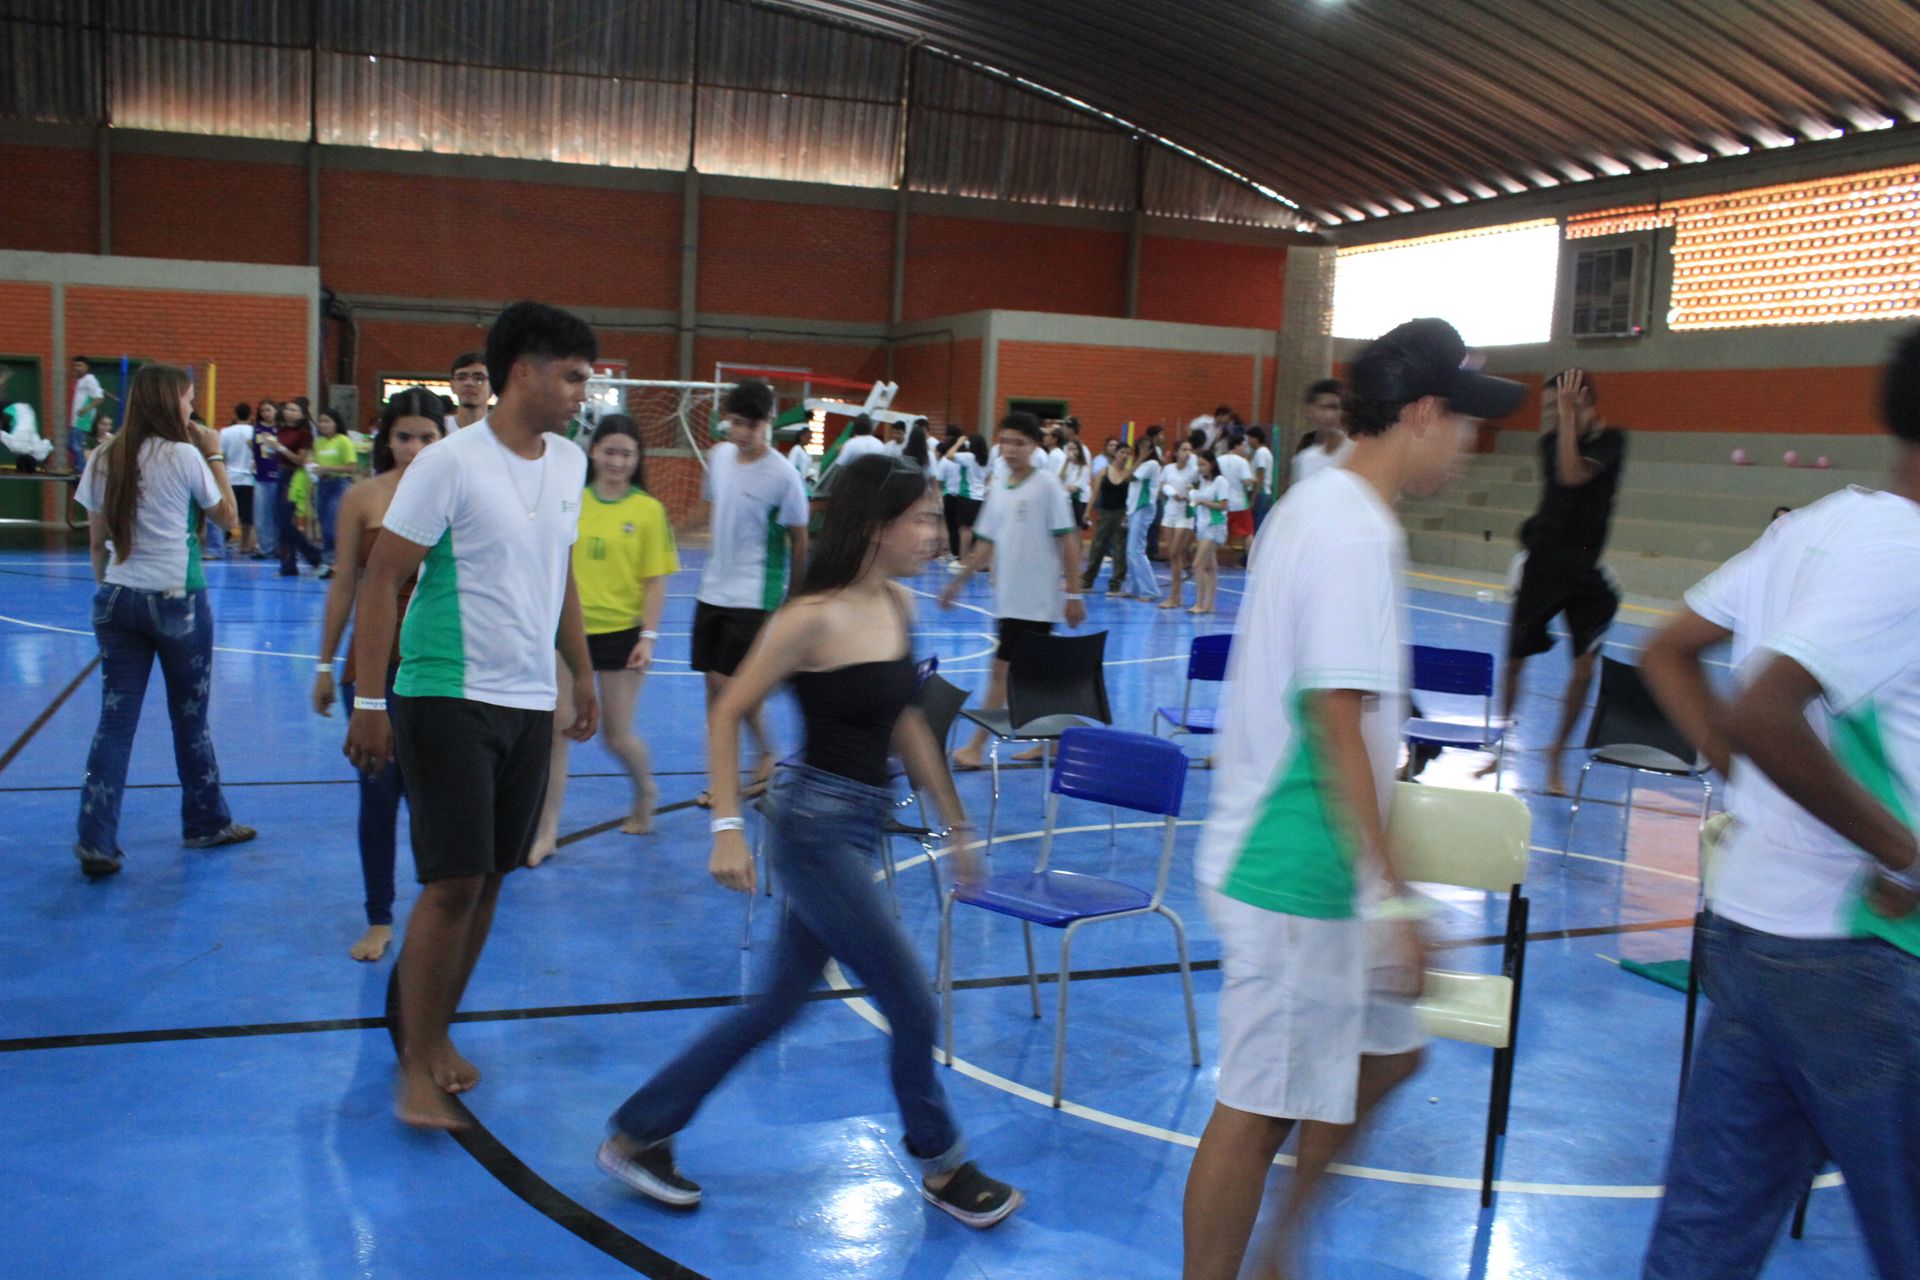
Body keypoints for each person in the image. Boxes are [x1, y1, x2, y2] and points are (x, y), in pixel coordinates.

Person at [596, 452, 1021, 1226]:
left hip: (860, 823)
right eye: (923, 519)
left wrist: (957, 823)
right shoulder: (808, 616)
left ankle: (638, 1133)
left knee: (775, 1005)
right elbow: (727, 713)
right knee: (913, 1005)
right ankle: (943, 1163)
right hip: (813, 828)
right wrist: (727, 830)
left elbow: (906, 721)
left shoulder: (896, 604)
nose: (936, 533)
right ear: (875, 525)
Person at [1182, 318, 1520, 1280]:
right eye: (1462, 422)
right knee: (1254, 1110)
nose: (1470, 442)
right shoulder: (1349, 530)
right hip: (1296, 862)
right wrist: (1393, 899)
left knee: (1391, 1054)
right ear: (1420, 415)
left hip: (1311, 849)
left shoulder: (1325, 499)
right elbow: (1334, 718)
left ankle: (1282, 1244)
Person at [1637, 328, 1920, 1280]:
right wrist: (1903, 854)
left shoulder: (1818, 523)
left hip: (1756, 934)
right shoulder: (1908, 553)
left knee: (1707, 1236)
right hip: (1860, 956)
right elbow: (1766, 704)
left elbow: (1668, 650)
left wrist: (1739, 771)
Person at [344, 301, 601, 1130]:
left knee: (492, 877)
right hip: (444, 690)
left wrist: (581, 674)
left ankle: (438, 1035)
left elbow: (559, 575)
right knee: (452, 882)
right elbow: (383, 580)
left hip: (528, 699)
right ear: (521, 371)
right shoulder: (450, 463)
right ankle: (414, 1066)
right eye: (571, 376)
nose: (580, 393)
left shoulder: (567, 463)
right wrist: (369, 700)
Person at [73, 363, 255, 878]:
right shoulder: (184, 455)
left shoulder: (104, 456)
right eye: (188, 401)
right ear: (170, 404)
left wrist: (110, 589)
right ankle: (205, 821)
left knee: (114, 723)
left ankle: (95, 837)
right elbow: (230, 521)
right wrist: (214, 450)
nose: (192, 410)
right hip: (177, 602)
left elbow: (95, 542)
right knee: (189, 718)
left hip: (118, 599)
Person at [312, 389, 445, 961]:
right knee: (377, 789)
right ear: (386, 439)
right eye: (404, 436)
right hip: (372, 667)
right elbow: (345, 583)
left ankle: (446, 902)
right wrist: (324, 664)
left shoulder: (456, 494)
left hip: (438, 665)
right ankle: (379, 915)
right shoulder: (363, 497)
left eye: (426, 437)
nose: (414, 448)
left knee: (435, 794)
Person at [527, 415, 680, 865]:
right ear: (593, 452)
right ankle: (547, 830)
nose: (617, 461)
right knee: (558, 728)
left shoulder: (648, 511)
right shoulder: (571, 501)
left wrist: (648, 638)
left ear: (637, 460)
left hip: (622, 635)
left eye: (626, 454)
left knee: (616, 736)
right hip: (568, 630)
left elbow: (655, 582)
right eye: (609, 451)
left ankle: (645, 791)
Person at [1487, 369, 1627, 794]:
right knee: (1513, 662)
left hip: (1584, 573)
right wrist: (1564, 422)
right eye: (1551, 408)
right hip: (1543, 566)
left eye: (1560, 405)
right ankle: (1501, 742)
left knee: (1585, 668)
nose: (1553, 415)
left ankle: (1554, 755)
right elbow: (1564, 473)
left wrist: (1569, 417)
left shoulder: (1613, 442)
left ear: (1585, 401)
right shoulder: (1551, 444)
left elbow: (1576, 474)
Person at [941, 412, 1087, 770]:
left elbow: (1069, 541)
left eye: (1019, 443)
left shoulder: (1047, 486)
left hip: (1037, 603)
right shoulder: (1000, 486)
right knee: (1032, 676)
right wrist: (958, 581)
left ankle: (976, 746)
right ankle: (1050, 742)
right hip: (1007, 600)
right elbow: (985, 544)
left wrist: (1074, 595)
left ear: (1036, 445)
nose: (1010, 449)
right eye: (1005, 441)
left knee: (1002, 673)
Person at [693, 379, 810, 808]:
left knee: (729, 689)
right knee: (717, 688)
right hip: (712, 589)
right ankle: (763, 753)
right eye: (735, 423)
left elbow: (799, 542)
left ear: (769, 422)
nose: (741, 433)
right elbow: (710, 510)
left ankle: (724, 783)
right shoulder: (719, 456)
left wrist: (794, 600)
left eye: (751, 425)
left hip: (754, 596)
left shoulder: (784, 477)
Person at [272, 398, 325, 577]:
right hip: (281, 474)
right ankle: (287, 564)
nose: (290, 412)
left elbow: (300, 459)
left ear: (302, 414)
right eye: (288, 409)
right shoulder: (281, 430)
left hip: (295, 476)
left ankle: (314, 555)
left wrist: (279, 448)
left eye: (294, 410)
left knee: (286, 521)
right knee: (281, 522)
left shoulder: (304, 433)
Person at [1079, 439, 1131, 595]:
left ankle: (1115, 584)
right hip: (1105, 513)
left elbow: (1131, 497)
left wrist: (1127, 515)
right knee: (1097, 547)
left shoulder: (1129, 474)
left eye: (1128, 454)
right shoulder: (1104, 471)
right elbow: (1095, 493)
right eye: (1122, 452)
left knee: (1120, 550)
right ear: (1116, 453)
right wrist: (1087, 512)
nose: (1124, 456)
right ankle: (1088, 581)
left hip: (1121, 513)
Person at [312, 407, 358, 573]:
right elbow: (316, 463)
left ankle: (339, 561)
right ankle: (327, 560)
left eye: (327, 421)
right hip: (322, 485)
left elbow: (352, 467)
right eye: (321, 421)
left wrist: (327, 468)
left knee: (333, 524)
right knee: (323, 524)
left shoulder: (343, 441)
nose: (323, 425)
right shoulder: (318, 442)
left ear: (336, 423)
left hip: (339, 484)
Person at [1123, 435, 1163, 603]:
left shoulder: (1152, 464)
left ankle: (1150, 590)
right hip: (1134, 508)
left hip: (1144, 507)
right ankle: (1133, 588)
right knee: (1130, 551)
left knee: (1136, 550)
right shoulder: (1139, 464)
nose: (1143, 450)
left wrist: (1140, 458)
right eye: (1140, 446)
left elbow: (1129, 477)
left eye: (1147, 447)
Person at [1159, 440, 1199, 610]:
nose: (1187, 453)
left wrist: (1191, 491)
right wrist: (1171, 492)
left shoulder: (1194, 471)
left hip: (1185, 514)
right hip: (1170, 512)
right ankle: (1176, 596)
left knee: (1176, 551)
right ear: (1176, 452)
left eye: (1189, 449)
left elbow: (1198, 488)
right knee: (1173, 556)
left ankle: (1175, 596)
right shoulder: (1168, 469)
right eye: (1183, 449)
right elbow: (1161, 486)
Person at [1290, 379, 1351, 488]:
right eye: (1323, 408)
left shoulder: (1357, 455)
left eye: (1334, 407)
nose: (1329, 415)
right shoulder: (1304, 460)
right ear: (1309, 411)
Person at [1188, 452, 1228, 615]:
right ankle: (1210, 605)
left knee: (1198, 564)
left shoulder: (1221, 481)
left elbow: (1223, 505)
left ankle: (1200, 603)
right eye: (1198, 465)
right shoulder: (1203, 483)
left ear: (1212, 464)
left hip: (1215, 525)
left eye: (1203, 464)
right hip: (1204, 526)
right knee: (1211, 567)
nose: (1200, 468)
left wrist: (1203, 501)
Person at [216, 403, 257, 557]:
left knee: (227, 514)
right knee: (247, 517)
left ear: (235, 414)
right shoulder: (254, 432)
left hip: (230, 478)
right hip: (248, 479)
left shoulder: (225, 432)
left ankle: (222, 542)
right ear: (250, 416)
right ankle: (245, 545)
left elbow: (221, 456)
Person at [250, 399, 281, 559]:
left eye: (269, 410)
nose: (266, 413)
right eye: (263, 411)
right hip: (261, 477)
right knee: (261, 515)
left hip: (279, 476)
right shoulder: (257, 429)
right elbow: (254, 448)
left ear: (276, 410)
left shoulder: (281, 429)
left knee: (278, 514)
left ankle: (279, 547)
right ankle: (266, 548)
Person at [1217, 433, 1255, 564]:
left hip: (1222, 503)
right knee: (1248, 533)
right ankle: (1250, 562)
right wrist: (1253, 480)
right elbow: (1246, 482)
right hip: (1239, 504)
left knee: (1216, 532)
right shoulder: (1242, 462)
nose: (1245, 449)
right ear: (1237, 445)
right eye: (1243, 446)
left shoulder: (1218, 460)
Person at [66, 357, 107, 474]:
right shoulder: (79, 381)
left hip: (83, 420)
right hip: (76, 419)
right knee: (70, 443)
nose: (76, 368)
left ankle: (81, 468)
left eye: (79, 366)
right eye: (75, 366)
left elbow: (99, 398)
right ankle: (80, 466)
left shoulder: (90, 379)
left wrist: (85, 409)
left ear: (86, 367)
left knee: (76, 444)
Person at [447, 352, 490, 431]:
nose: (469, 383)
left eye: (479, 378)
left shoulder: (503, 432)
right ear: (452, 386)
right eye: (461, 378)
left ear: (492, 387)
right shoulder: (439, 429)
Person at [1247, 425, 1275, 532]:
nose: (1248, 442)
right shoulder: (1260, 452)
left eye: (1249, 438)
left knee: (1258, 523)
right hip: (1262, 493)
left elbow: (1261, 475)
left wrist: (1254, 497)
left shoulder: (1261, 453)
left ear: (1255, 438)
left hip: (1260, 493)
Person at [1061, 437, 1093, 531]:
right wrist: (1066, 462)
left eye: (1074, 449)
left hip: (1077, 501)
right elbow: (1059, 479)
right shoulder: (1067, 465)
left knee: (1076, 531)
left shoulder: (1084, 468)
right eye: (1069, 449)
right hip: (1065, 501)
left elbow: (1076, 487)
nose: (1071, 452)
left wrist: (1062, 487)